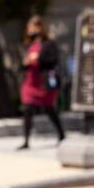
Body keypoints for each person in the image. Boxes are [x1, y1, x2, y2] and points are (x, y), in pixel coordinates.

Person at [18, 15, 65, 149]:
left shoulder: (49, 43)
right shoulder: (29, 44)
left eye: (34, 27)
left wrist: (38, 59)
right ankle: (26, 140)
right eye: (30, 27)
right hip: (30, 82)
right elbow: (23, 65)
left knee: (49, 109)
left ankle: (61, 134)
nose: (32, 30)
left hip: (44, 82)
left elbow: (53, 60)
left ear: (41, 27)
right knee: (27, 109)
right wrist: (26, 62)